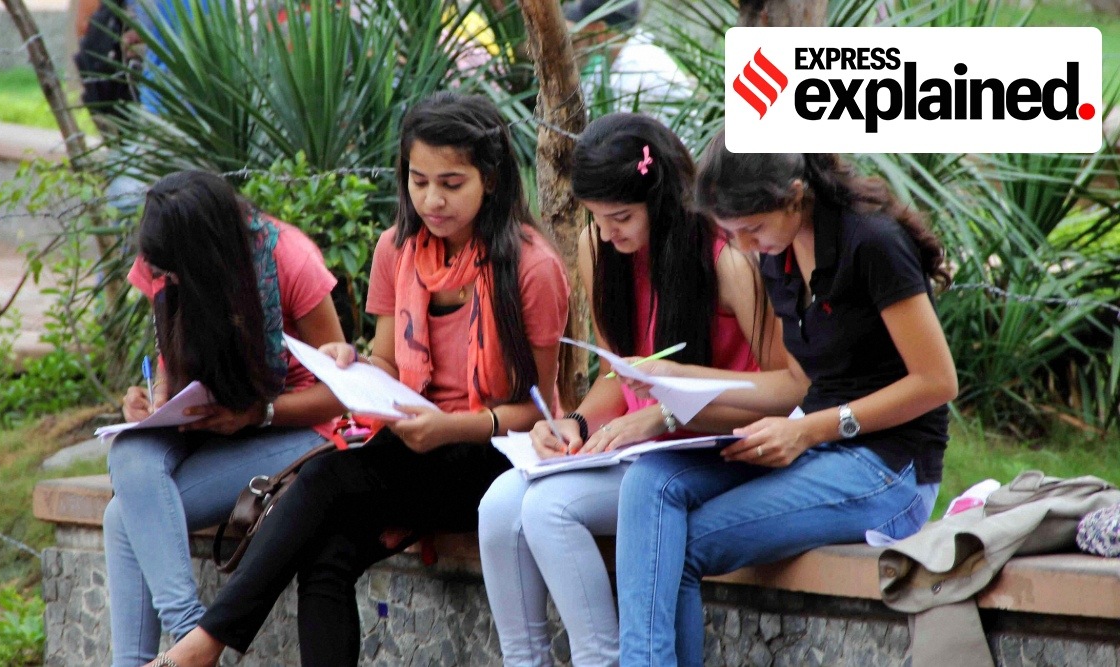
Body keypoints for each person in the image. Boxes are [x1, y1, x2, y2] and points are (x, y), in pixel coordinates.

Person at [145, 91, 571, 667]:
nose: (431, 199)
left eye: (451, 183)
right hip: (413, 445)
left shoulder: (530, 266)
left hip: (493, 453)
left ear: (490, 179)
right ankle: (204, 646)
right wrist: (356, 364)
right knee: (326, 555)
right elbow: (391, 366)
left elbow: (542, 410)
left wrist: (450, 427)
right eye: (418, 181)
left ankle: (204, 644)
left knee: (323, 481)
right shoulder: (397, 250)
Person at [614, 133, 959, 665]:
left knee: (675, 545)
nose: (745, 247)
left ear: (795, 195)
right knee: (649, 481)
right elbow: (793, 383)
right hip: (816, 445)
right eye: (731, 233)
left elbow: (936, 383)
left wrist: (807, 431)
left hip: (891, 469)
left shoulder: (872, 243)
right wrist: (679, 376)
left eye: (751, 228)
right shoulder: (780, 255)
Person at [477, 113, 787, 667]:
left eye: (620, 217)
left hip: (709, 448)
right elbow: (617, 376)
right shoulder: (603, 252)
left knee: (550, 510)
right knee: (499, 505)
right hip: (636, 449)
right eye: (595, 218)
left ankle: (605, 660)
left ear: (661, 199)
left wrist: (665, 416)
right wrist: (574, 425)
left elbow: (785, 389)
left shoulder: (726, 258)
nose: (607, 232)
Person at [104, 170, 348, 666]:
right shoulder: (163, 261)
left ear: (206, 252)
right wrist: (153, 402)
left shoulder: (288, 260)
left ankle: (180, 648)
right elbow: (174, 354)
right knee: (130, 451)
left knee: (121, 515)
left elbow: (340, 396)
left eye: (175, 272)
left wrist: (258, 413)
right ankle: (189, 631)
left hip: (294, 426)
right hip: (202, 419)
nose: (165, 281)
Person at [563, 0, 692, 119]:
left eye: (582, 27)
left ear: (600, 30)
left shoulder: (637, 67)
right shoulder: (608, 64)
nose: (577, 33)